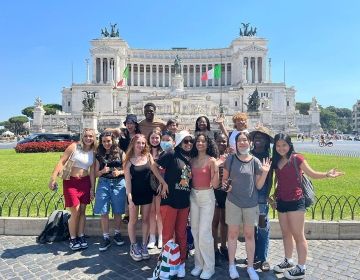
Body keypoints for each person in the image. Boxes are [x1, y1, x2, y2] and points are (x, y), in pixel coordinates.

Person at [271, 133, 344, 279]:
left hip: (296, 200)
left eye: (284, 145)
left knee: (298, 235)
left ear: (289, 145)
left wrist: (327, 174)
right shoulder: (275, 160)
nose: (281, 148)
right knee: (285, 233)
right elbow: (279, 181)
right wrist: (274, 196)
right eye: (278, 145)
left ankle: (301, 267)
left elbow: (312, 173)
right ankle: (288, 260)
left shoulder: (297, 158)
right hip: (282, 200)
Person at [222, 131, 271, 280]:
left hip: (251, 203)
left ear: (249, 143)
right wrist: (226, 186)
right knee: (232, 234)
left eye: (245, 140)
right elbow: (224, 181)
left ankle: (250, 267)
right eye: (239, 141)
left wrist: (264, 173)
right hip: (233, 202)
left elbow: (258, 185)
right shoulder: (230, 159)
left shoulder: (255, 161)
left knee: (250, 235)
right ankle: (231, 265)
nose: (242, 143)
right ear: (236, 144)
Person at [48, 128, 96, 251]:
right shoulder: (74, 147)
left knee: (83, 211)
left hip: (85, 183)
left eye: (91, 136)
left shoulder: (93, 151)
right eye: (86, 136)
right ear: (82, 136)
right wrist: (53, 178)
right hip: (71, 182)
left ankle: (80, 235)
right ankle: (73, 238)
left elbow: (92, 172)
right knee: (75, 211)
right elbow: (61, 161)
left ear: (94, 137)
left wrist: (92, 189)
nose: (88, 138)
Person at [124, 134, 168, 262]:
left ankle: (144, 244)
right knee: (132, 220)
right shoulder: (128, 161)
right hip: (134, 194)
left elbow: (156, 172)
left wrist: (163, 183)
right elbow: (127, 182)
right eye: (139, 143)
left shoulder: (148, 157)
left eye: (143, 143)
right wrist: (130, 199)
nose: (141, 145)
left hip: (147, 193)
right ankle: (133, 245)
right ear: (133, 144)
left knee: (145, 220)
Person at [156, 130, 193, 278]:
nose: (189, 144)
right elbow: (153, 165)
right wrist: (163, 182)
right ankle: (166, 262)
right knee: (167, 234)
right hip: (170, 200)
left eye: (191, 141)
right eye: (185, 141)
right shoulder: (171, 153)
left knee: (181, 234)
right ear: (179, 142)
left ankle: (181, 262)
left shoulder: (190, 158)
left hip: (184, 201)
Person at [190, 132, 219, 280]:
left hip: (207, 196)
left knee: (204, 233)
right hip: (193, 196)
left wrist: (216, 169)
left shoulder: (211, 161)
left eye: (203, 141)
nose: (200, 143)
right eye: (198, 141)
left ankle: (209, 267)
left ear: (208, 144)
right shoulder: (192, 160)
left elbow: (215, 184)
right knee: (195, 232)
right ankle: (199, 264)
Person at [93, 131, 126, 251]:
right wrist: (102, 171)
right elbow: (95, 173)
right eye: (104, 141)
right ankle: (105, 237)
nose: (107, 143)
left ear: (113, 141)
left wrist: (120, 172)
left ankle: (117, 233)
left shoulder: (121, 152)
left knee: (118, 210)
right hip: (104, 182)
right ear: (101, 142)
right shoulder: (98, 154)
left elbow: (127, 169)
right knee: (104, 211)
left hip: (118, 183)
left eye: (109, 141)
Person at [249, 126, 274, 272]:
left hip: (262, 196)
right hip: (249, 196)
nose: (258, 139)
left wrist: (268, 195)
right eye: (256, 137)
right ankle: (253, 255)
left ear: (266, 141)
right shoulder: (248, 155)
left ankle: (263, 258)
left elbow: (271, 179)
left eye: (262, 137)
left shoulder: (269, 157)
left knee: (262, 227)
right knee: (251, 228)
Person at [212, 133, 229, 263]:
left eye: (224, 141)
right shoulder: (211, 157)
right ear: (215, 142)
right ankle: (214, 248)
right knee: (215, 221)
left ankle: (224, 246)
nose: (221, 143)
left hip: (227, 192)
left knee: (225, 222)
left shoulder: (231, 156)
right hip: (214, 191)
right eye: (219, 141)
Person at [147, 129, 164, 249]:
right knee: (151, 213)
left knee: (160, 212)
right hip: (147, 184)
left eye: (157, 138)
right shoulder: (145, 152)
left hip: (160, 184)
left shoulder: (164, 153)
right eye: (152, 138)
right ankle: (152, 237)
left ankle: (161, 236)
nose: (154, 140)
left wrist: (162, 183)